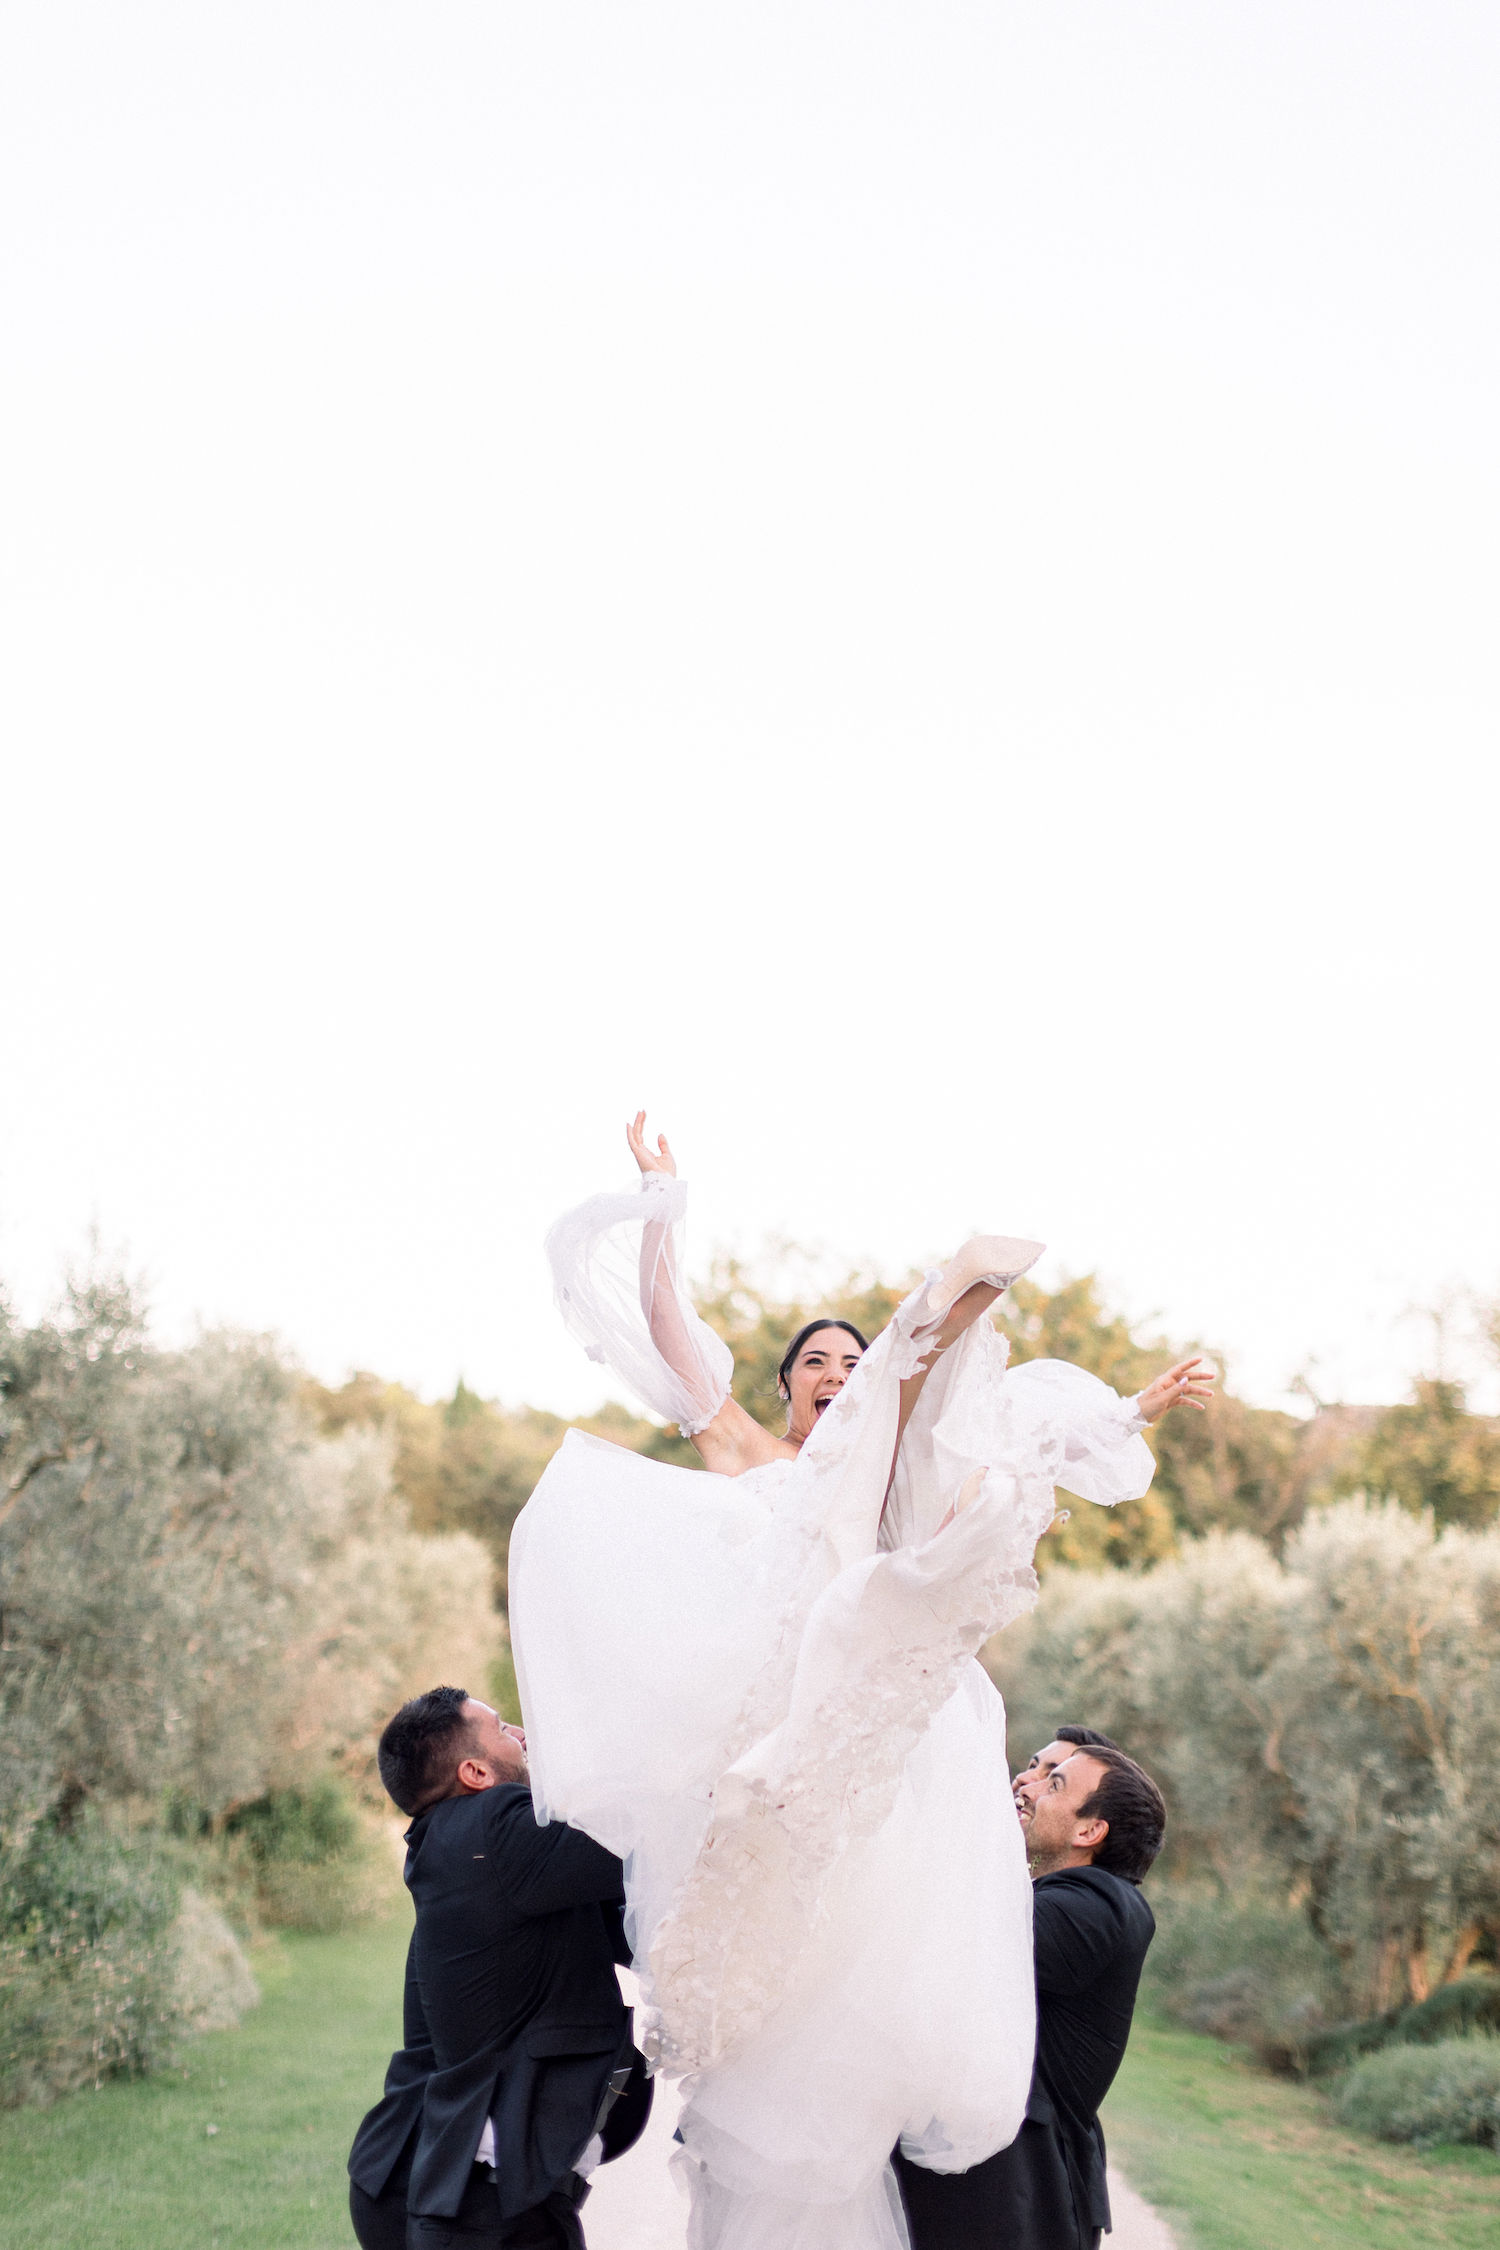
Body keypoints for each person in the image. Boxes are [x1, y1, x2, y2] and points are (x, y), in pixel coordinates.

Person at [511, 1118, 1211, 2250]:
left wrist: (1129, 1412)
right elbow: (672, 1332)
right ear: (787, 1388)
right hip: (763, 1715)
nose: (837, 1376)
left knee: (863, 1967)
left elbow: (986, 1425)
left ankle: (861, 2105)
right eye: (817, 1364)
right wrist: (662, 1209)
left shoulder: (886, 1479)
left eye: (850, 1363)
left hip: (864, 1728)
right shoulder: (747, 1453)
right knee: (756, 1957)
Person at [346, 1687, 650, 2250]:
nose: (524, 1737)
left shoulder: (457, 1848)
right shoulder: (494, 1826)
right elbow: (641, 1833)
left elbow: (630, 1923)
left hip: (420, 2187)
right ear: (476, 1772)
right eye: (505, 1729)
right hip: (486, 2210)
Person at [893, 1739, 1164, 2250]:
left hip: (1015, 2202)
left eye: (1054, 1784)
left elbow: (956, 1945)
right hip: (987, 2194)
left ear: (1089, 1831)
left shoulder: (1101, 1904)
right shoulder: (1060, 1894)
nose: (1028, 1787)